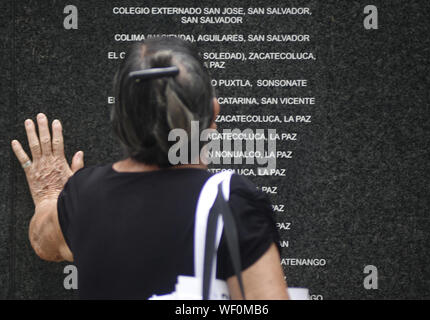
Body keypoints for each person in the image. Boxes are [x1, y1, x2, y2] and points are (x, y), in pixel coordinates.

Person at [10, 37, 289, 299]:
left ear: (120, 119)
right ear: (212, 112)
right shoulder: (231, 203)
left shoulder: (83, 195)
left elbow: (42, 241)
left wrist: (50, 194)